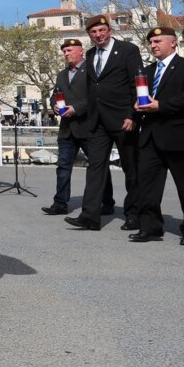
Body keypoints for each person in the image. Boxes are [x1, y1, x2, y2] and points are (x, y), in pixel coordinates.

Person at [128, 27, 184, 245]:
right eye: (151, 42)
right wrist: (137, 107)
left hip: (181, 136)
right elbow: (142, 98)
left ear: (173, 42)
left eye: (157, 41)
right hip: (151, 137)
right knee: (147, 186)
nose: (153, 45)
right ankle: (150, 227)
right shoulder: (147, 70)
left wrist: (161, 105)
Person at [65, 14, 141, 231]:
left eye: (101, 30)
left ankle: (134, 213)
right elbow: (92, 88)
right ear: (89, 35)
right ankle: (90, 216)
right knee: (95, 168)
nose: (98, 35)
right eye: (93, 32)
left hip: (123, 119)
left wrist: (132, 115)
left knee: (131, 169)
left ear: (110, 30)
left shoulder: (128, 50)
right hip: (97, 121)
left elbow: (136, 84)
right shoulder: (90, 54)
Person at [42, 39, 111, 215]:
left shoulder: (92, 71)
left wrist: (76, 108)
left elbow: (97, 96)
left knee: (98, 167)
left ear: (81, 51)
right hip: (67, 130)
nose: (66, 54)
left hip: (89, 127)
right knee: (63, 167)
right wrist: (55, 107)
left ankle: (107, 202)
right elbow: (54, 96)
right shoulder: (61, 75)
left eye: (69, 50)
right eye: (64, 51)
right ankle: (60, 203)